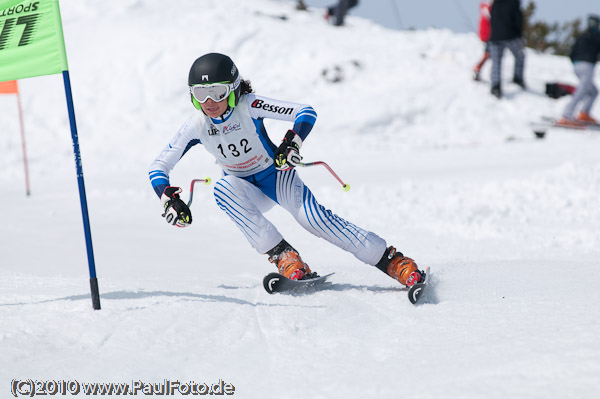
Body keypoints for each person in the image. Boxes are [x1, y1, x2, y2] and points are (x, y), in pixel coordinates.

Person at [148, 52, 425, 288]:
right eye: (200, 94)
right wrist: (168, 198)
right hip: (244, 188)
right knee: (222, 188)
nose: (210, 101)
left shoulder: (249, 105)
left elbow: (306, 111)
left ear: (232, 89)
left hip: (278, 177)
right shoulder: (197, 123)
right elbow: (158, 167)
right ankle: (284, 256)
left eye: (218, 92)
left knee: (314, 221)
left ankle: (392, 260)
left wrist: (291, 142)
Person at [558, 14, 600, 127]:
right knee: (581, 91)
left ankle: (584, 113)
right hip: (587, 66)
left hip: (577, 66)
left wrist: (576, 63)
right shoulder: (596, 36)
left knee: (593, 92)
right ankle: (566, 116)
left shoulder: (582, 36)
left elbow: (571, 53)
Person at [489, 0, 526, 98]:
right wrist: (519, 35)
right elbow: (518, 20)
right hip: (511, 36)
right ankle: (518, 78)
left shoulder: (495, 3)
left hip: (495, 36)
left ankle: (495, 86)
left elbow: (491, 19)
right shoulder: (514, 2)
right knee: (520, 56)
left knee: (496, 62)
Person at [473, 1, 493, 81]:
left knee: (489, 54)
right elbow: (491, 16)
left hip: (489, 34)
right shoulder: (487, 6)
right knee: (488, 54)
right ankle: (477, 69)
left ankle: (478, 69)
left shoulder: (486, 6)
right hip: (488, 34)